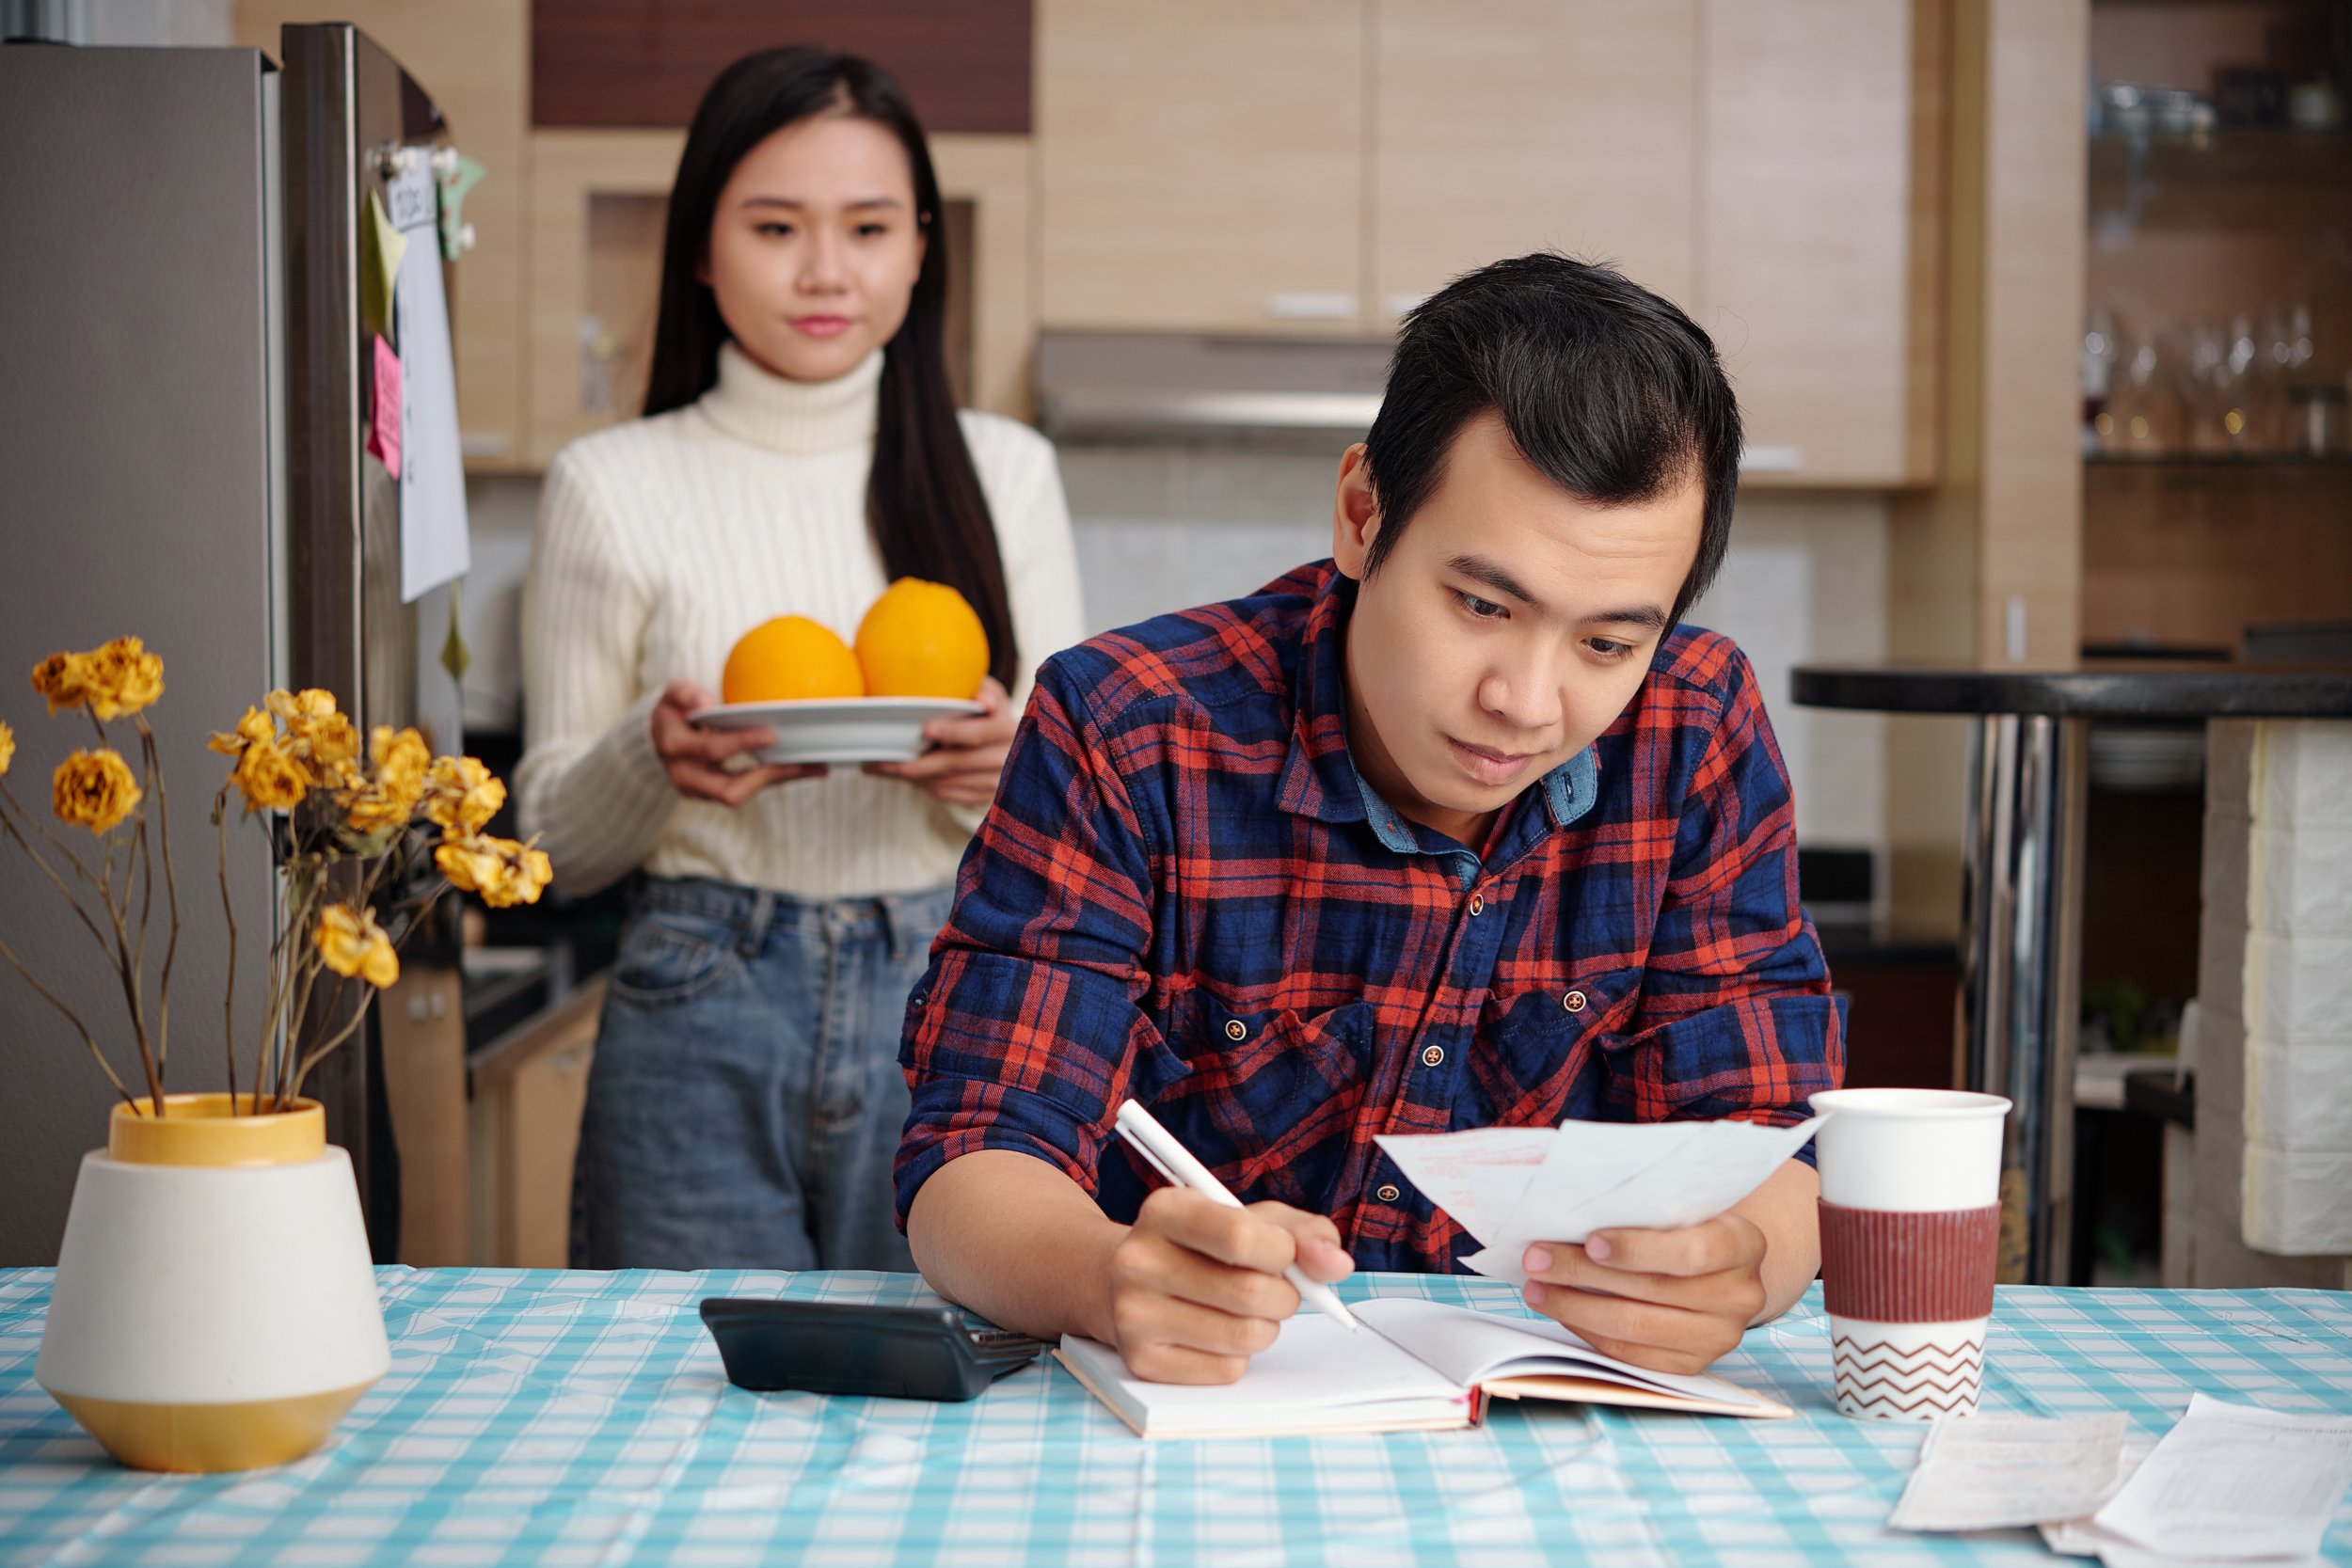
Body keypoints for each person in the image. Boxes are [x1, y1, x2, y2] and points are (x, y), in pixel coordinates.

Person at [897, 254, 1844, 1382]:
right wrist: (1106, 1275)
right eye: (1482, 604)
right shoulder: (1127, 726)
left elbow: (1773, 1140)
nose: (1525, 703)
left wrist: (1740, 1260)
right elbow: (973, 1157)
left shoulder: (1695, 728)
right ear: (1361, 516)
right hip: (1183, 1415)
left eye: (1607, 643)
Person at [516, 47, 1084, 1272]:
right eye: (776, 226)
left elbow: (1078, 825)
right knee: (676, 1404)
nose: (827, 270)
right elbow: (548, 845)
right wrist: (652, 756)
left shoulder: (1006, 471)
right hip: (695, 992)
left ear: (921, 246)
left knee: (941, 1403)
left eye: (869, 228)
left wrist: (1000, 770)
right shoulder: (610, 483)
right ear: (703, 247)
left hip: (951, 988)